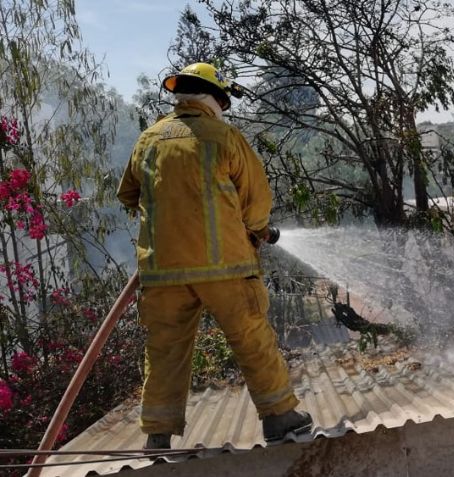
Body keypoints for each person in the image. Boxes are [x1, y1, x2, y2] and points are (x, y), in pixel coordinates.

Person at [117, 63, 311, 449]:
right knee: (251, 337)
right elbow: (256, 204)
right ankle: (279, 417)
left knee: (165, 351)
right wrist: (259, 231)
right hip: (225, 268)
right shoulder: (224, 136)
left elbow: (128, 195)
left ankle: (157, 436)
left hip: (162, 272)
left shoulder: (148, 139)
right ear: (214, 98)